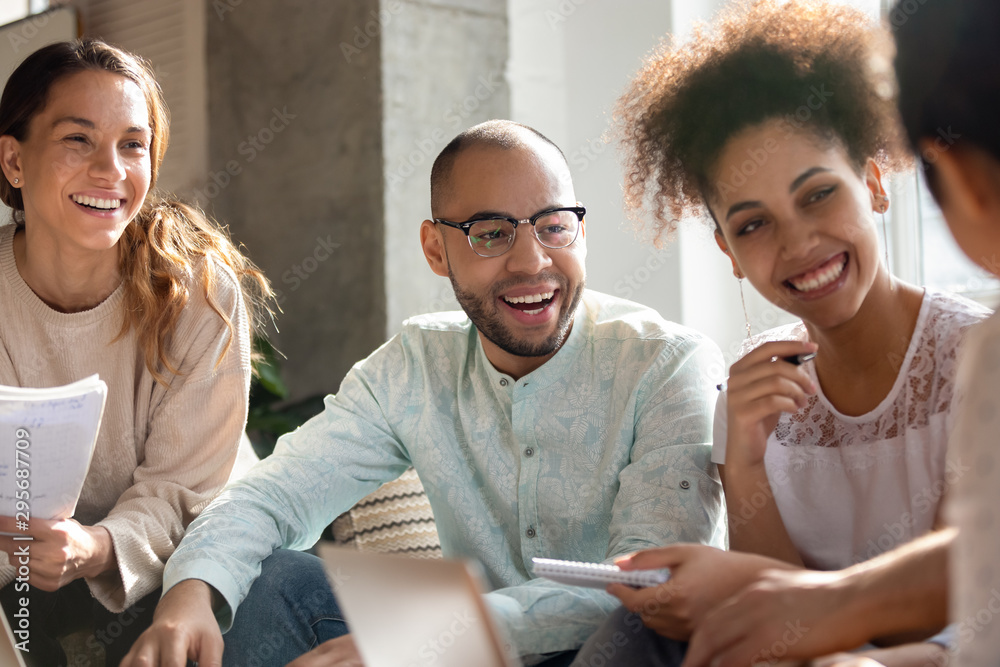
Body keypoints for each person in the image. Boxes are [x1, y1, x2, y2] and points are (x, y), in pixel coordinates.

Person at [122, 119, 727, 667]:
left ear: (580, 232)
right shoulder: (415, 366)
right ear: (436, 249)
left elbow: (650, 588)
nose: (532, 260)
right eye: (490, 233)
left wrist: (428, 635)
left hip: (616, 655)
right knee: (265, 580)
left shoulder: (668, 365)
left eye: (553, 226)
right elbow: (272, 496)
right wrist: (189, 594)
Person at [570, 2, 989, 666]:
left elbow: (959, 610)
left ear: (875, 184)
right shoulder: (747, 392)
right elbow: (778, 632)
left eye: (818, 193)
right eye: (753, 224)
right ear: (728, 252)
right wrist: (743, 460)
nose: (797, 242)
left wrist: (739, 587)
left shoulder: (975, 357)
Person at [0, 39, 272, 666]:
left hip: (198, 558)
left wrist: (94, 548)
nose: (111, 170)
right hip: (28, 570)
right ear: (14, 160)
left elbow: (184, 490)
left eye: (133, 144)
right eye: (78, 139)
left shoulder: (196, 290)